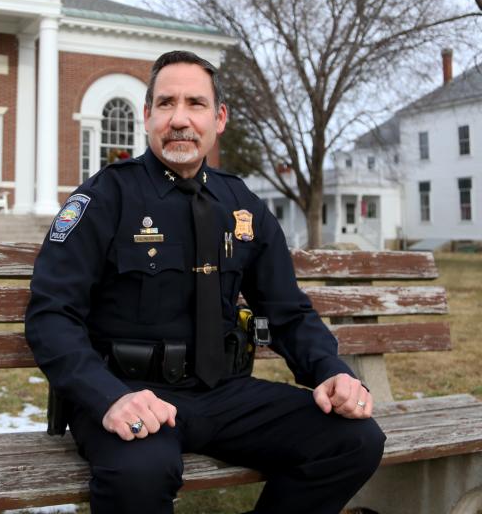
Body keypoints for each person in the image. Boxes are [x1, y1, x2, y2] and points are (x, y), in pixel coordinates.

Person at [24, 50, 385, 514]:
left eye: (195, 104)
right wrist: (108, 397)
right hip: (131, 393)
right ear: (147, 115)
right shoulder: (105, 197)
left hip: (226, 394)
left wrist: (330, 371)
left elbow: (287, 310)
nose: (180, 119)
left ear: (219, 118)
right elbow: (51, 315)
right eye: (166, 104)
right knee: (140, 475)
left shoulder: (243, 206)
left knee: (353, 439)